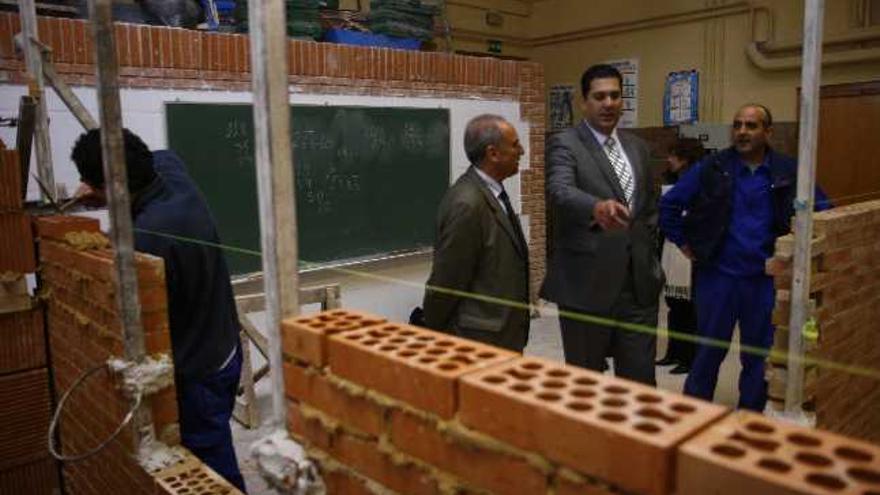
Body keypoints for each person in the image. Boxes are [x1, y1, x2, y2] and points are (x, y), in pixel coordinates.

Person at [71, 129, 246, 492]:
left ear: (114, 188)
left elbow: (117, 269)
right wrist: (101, 191)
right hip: (224, 344)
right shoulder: (170, 170)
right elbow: (160, 152)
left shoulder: (147, 237)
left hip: (201, 370)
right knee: (213, 444)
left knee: (208, 466)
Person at [659, 104, 831, 411]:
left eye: (751, 126)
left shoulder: (788, 171)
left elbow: (824, 210)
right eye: (737, 125)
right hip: (717, 278)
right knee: (708, 352)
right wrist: (685, 243)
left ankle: (749, 420)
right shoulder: (712, 167)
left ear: (768, 132)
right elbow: (669, 206)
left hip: (763, 282)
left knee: (757, 356)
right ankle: (693, 418)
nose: (742, 131)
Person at [541, 64, 663, 385]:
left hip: (638, 286)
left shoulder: (638, 147)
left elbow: (649, 207)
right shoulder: (566, 143)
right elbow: (560, 190)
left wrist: (650, 258)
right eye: (599, 96)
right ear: (584, 102)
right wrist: (595, 207)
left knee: (639, 385)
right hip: (587, 285)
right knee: (587, 385)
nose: (608, 103)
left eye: (614, 95)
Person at [423, 114, 530, 352]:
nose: (521, 151)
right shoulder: (467, 204)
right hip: (478, 342)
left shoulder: (492, 191)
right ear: (493, 153)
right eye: (514, 145)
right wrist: (431, 334)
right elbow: (446, 281)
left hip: (502, 335)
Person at [655, 138, 705, 375]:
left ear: (685, 158)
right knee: (674, 305)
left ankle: (689, 357)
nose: (669, 160)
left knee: (688, 308)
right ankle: (673, 352)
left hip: (689, 250)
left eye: (673, 156)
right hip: (671, 248)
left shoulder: (699, 181)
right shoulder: (674, 180)